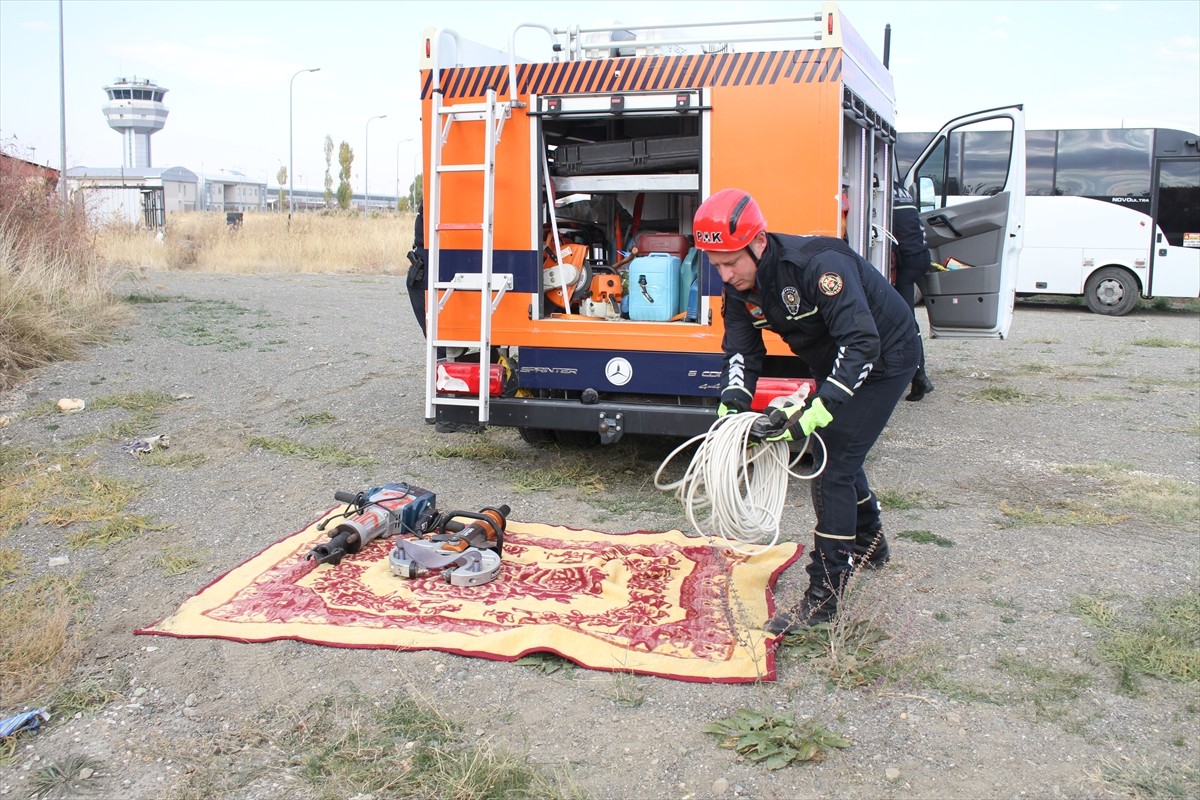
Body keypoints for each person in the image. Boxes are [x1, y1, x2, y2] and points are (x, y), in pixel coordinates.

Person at [695, 188, 920, 632]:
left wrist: (816, 410)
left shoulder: (819, 264)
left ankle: (825, 596)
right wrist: (733, 404)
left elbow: (862, 343)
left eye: (730, 262)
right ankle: (871, 540)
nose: (723, 274)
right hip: (834, 360)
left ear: (758, 243)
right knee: (839, 450)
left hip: (884, 356)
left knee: (832, 462)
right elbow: (741, 353)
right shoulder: (739, 288)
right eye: (714, 263)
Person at [891, 181, 936, 401]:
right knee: (906, 318)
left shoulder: (875, 186)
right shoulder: (899, 188)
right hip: (920, 255)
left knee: (905, 321)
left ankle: (920, 377)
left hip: (905, 261)